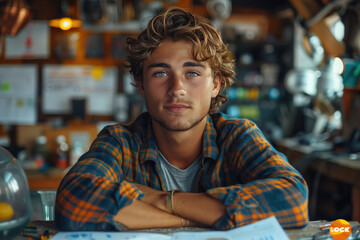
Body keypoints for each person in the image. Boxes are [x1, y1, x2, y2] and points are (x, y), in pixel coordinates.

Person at [55, 7, 309, 231]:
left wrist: (161, 200)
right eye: (161, 73)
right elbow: (73, 202)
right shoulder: (120, 142)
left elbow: (293, 200)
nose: (177, 88)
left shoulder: (238, 136)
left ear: (216, 85)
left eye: (192, 73)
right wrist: (196, 218)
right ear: (141, 85)